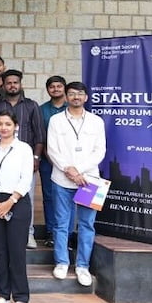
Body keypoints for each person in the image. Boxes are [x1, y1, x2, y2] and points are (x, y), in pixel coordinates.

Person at [47, 81, 106, 288]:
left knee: (87, 224)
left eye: (80, 94)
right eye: (71, 94)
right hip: (62, 179)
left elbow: (100, 151)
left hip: (90, 180)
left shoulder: (96, 122)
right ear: (66, 96)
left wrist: (79, 170)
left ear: (86, 97)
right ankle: (62, 262)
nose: (75, 97)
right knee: (61, 223)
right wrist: (69, 170)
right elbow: (52, 149)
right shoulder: (56, 120)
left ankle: (82, 266)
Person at [0, 69, 45, 249]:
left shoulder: (31, 105)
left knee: (25, 198)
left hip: (25, 160)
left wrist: (36, 157)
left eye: (15, 82)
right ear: (3, 85)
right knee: (1, 195)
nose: (12, 85)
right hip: (1, 158)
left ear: (20, 84)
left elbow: (39, 135)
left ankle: (28, 234)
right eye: (9, 83)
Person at [0, 110, 33, 303]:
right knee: (0, 250)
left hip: (18, 202)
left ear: (16, 126)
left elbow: (26, 180)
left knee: (16, 251)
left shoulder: (23, 149)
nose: (4, 128)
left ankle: (21, 296)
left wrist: (10, 202)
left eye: (8, 124)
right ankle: (3, 294)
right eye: (0, 124)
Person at [39, 75, 67, 247]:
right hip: (48, 161)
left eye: (59, 86)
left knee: (71, 198)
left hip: (72, 162)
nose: (56, 89)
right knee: (50, 197)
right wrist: (52, 159)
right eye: (52, 87)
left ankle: (68, 232)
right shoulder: (41, 110)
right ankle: (51, 231)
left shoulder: (72, 109)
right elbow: (41, 137)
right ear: (48, 89)